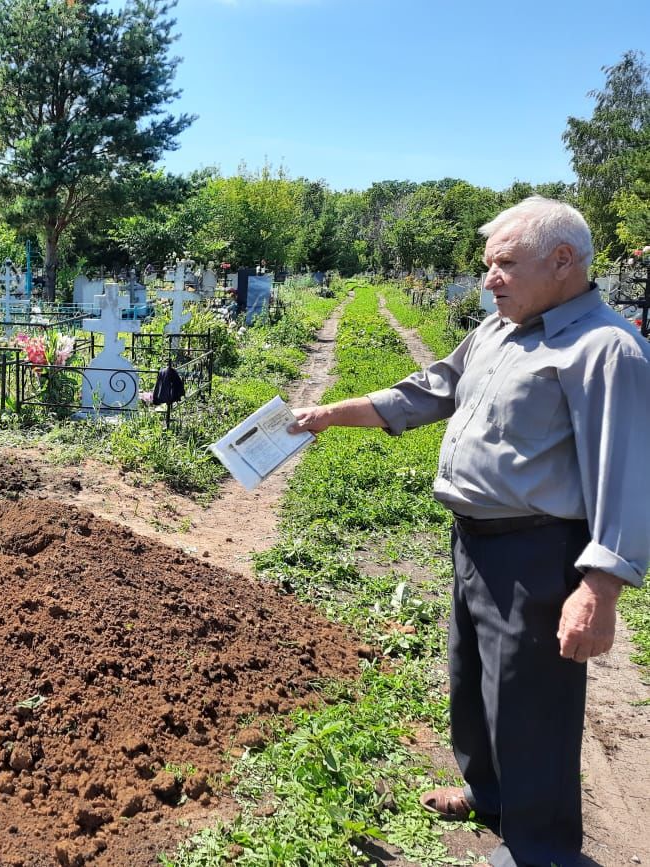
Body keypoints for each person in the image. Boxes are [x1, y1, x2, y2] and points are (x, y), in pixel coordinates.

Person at [288, 197, 649, 867]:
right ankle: (487, 792)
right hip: (475, 541)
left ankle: (539, 848)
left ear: (563, 261)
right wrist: (332, 413)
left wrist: (600, 587)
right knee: (473, 678)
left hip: (539, 549)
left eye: (506, 264)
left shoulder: (605, 348)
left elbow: (625, 471)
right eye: (488, 266)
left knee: (531, 702)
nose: (490, 280)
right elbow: (431, 389)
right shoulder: (500, 332)